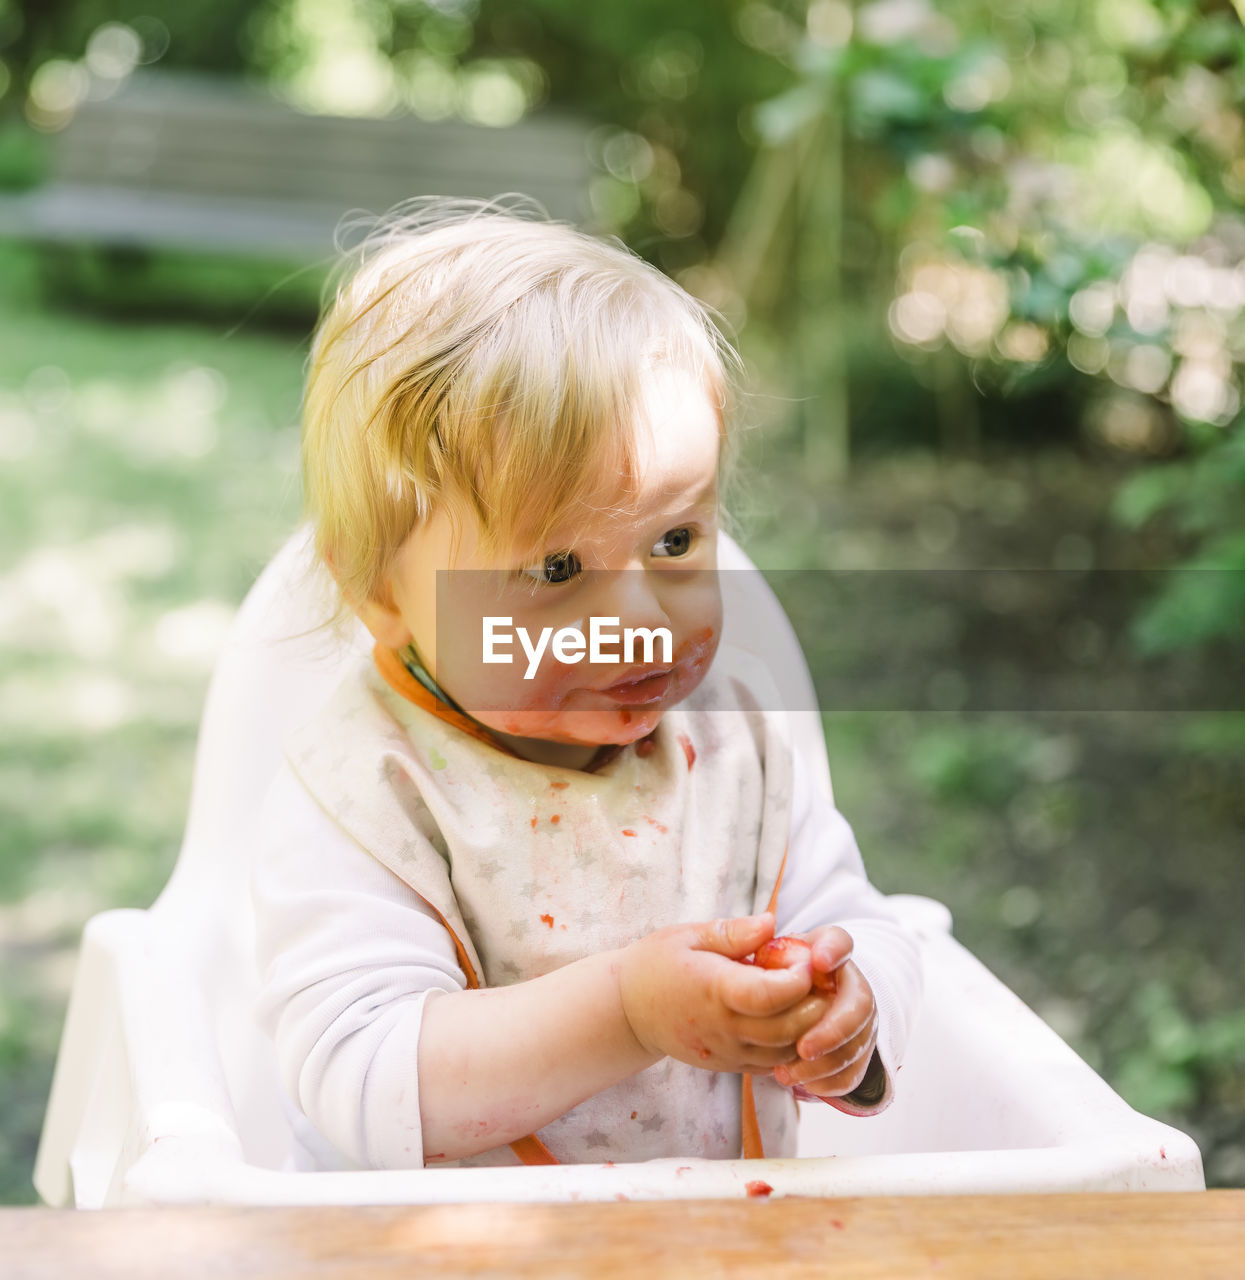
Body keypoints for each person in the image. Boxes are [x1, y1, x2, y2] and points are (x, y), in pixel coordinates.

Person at [251, 199, 922, 1172]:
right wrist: (626, 1011)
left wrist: (847, 1015)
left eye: (677, 540)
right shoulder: (369, 790)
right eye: (558, 570)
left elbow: (864, 923)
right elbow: (359, 1076)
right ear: (382, 594)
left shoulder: (736, 746)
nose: (643, 618)